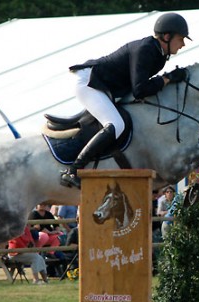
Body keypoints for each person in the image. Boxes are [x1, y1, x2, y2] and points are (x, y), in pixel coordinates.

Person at [60, 13, 191, 189]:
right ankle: (73, 170)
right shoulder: (146, 49)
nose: (183, 44)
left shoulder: (158, 54)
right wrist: (167, 79)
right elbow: (140, 90)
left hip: (107, 87)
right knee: (116, 124)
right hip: (90, 83)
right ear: (167, 37)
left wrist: (165, 79)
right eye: (181, 39)